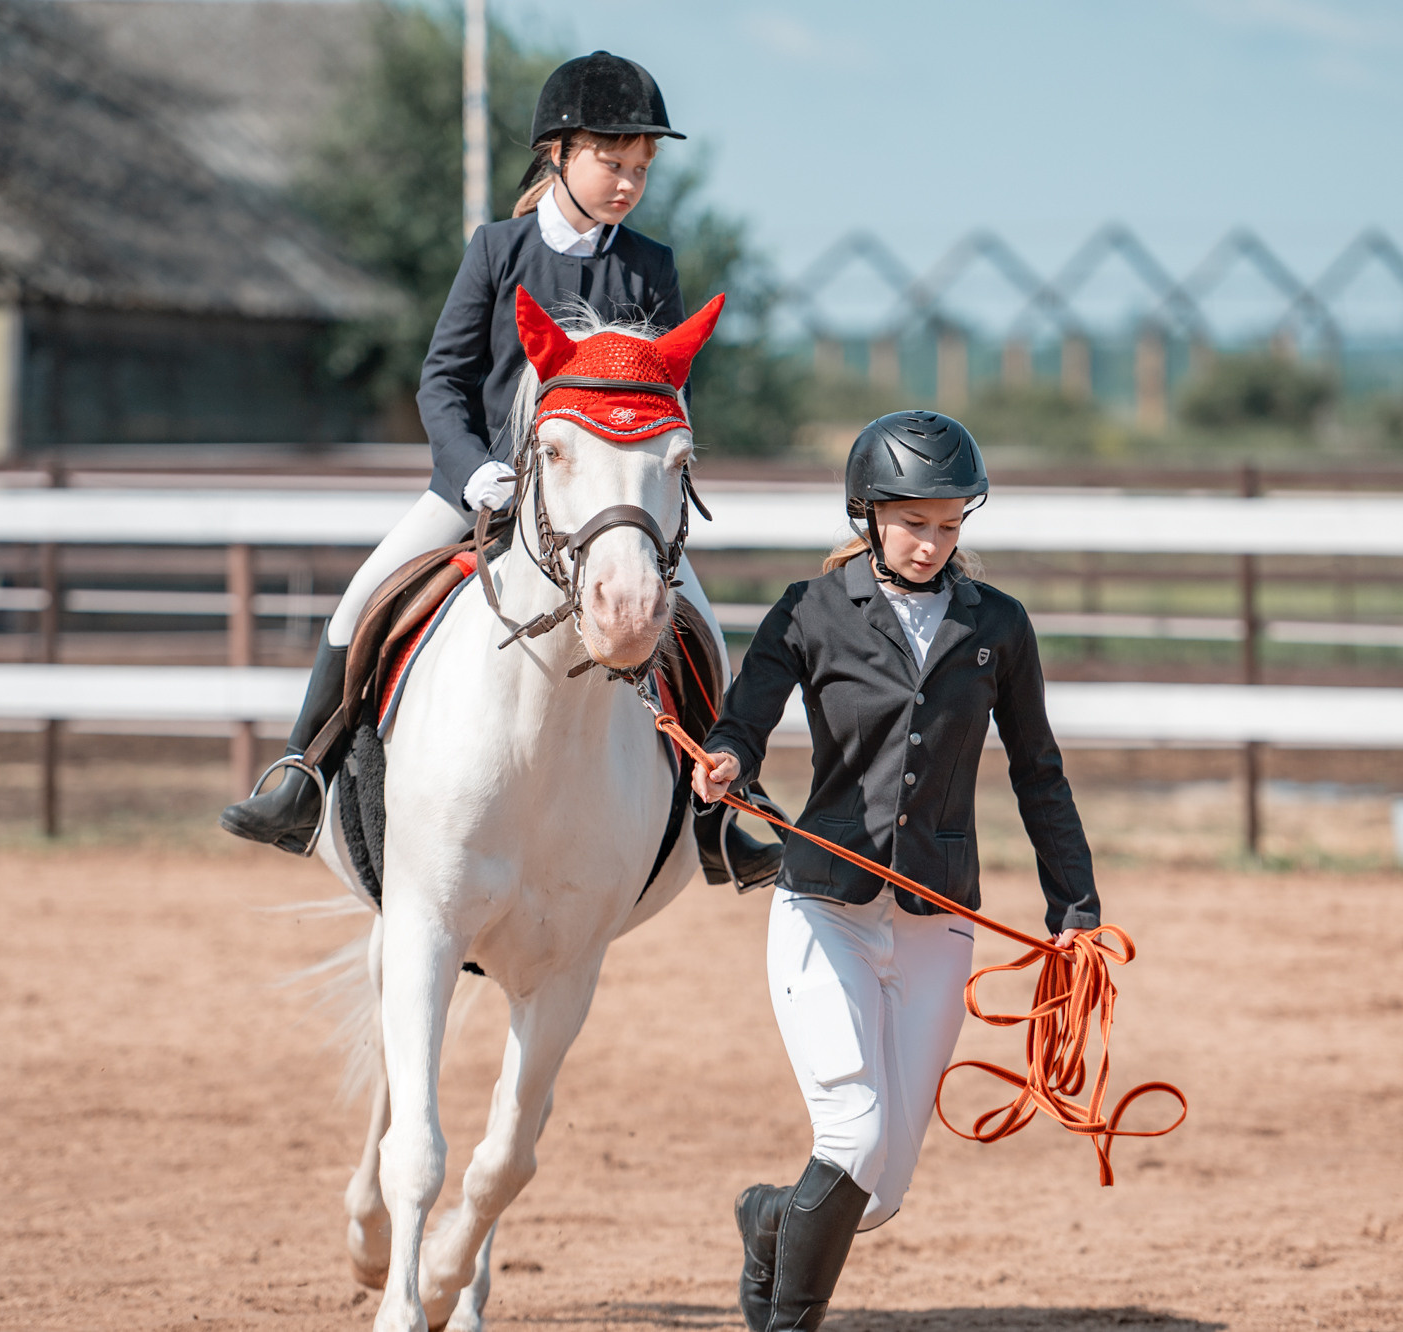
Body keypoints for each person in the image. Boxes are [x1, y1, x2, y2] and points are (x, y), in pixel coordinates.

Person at [221, 50, 780, 886]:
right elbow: (441, 379)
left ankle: (718, 818)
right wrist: (473, 469)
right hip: (482, 485)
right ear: (559, 153)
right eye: (611, 163)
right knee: (363, 598)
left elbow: (666, 393)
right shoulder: (497, 249)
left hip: (603, 507)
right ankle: (302, 773)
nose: (627, 183)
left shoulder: (651, 267)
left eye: (640, 168)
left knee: (700, 630)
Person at [690, 411, 1102, 1332]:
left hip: (938, 919)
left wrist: (1073, 906)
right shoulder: (808, 610)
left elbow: (1039, 769)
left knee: (877, 1193)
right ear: (868, 513)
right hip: (824, 909)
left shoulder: (998, 626)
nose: (933, 543)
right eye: (916, 523)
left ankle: (765, 1220)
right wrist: (726, 759)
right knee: (854, 1136)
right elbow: (745, 719)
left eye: (951, 525)